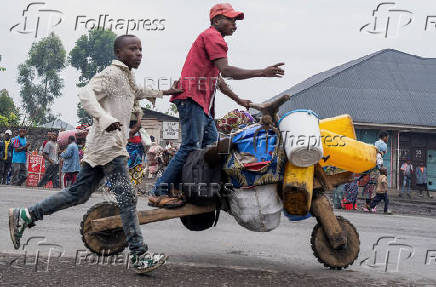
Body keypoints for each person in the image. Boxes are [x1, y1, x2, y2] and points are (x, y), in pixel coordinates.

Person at [8, 34, 183, 274]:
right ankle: (139, 254)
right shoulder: (111, 74)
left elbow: (139, 91)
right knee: (127, 198)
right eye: (132, 49)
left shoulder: (127, 77)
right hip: (110, 147)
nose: (139, 53)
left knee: (77, 193)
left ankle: (26, 215)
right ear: (119, 54)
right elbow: (85, 93)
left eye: (140, 49)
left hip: (102, 147)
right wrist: (104, 117)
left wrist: (165, 91)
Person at [150, 3, 285, 207]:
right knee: (190, 146)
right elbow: (228, 71)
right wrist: (262, 72)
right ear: (216, 21)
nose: (234, 25)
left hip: (200, 104)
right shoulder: (213, 37)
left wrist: (239, 100)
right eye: (230, 20)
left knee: (212, 147)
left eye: (235, 21)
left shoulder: (211, 39)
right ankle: (160, 190)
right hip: (192, 99)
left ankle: (193, 189)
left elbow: (218, 79)